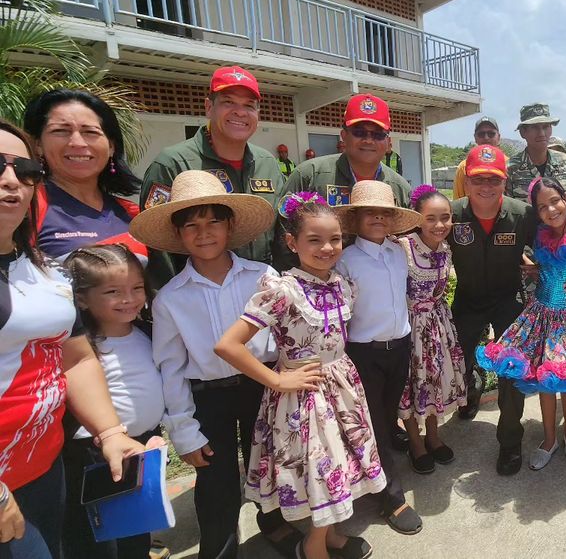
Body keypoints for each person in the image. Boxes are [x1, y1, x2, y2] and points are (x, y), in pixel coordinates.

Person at [0, 120, 147, 559]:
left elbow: (76, 357)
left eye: (25, 170)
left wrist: (110, 432)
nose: (10, 180)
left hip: (43, 468)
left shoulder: (43, 270)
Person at [215, 193, 385, 559]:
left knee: (339, 463)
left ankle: (330, 536)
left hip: (342, 388)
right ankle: (313, 546)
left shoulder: (342, 284)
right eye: (314, 239)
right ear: (292, 242)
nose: (327, 248)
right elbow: (228, 345)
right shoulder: (282, 290)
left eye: (335, 239)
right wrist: (278, 380)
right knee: (322, 467)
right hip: (304, 395)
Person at [130, 170, 280, 559]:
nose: (204, 233)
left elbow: (284, 336)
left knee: (269, 464)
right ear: (178, 234)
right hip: (207, 397)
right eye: (191, 226)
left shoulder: (263, 278)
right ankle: (219, 547)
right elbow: (171, 367)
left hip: (261, 387)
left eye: (214, 221)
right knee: (215, 478)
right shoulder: (170, 298)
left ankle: (276, 525)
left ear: (230, 226)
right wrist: (184, 431)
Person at [477, 177, 566, 470]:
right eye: (542, 207)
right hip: (539, 318)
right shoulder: (540, 237)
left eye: (555, 201)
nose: (551, 210)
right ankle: (550, 438)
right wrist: (534, 269)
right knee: (545, 381)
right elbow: (547, 270)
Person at [139, 66, 285, 290]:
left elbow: (282, 233)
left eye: (249, 105)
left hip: (263, 292)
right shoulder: (172, 163)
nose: (240, 112)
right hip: (197, 294)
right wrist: (174, 299)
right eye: (228, 102)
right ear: (209, 107)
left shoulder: (268, 164)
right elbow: (157, 247)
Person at [60, 245, 164, 559]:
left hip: (142, 445)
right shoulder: (79, 348)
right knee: (101, 538)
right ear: (81, 299)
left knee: (138, 531)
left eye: (137, 288)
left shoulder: (148, 332)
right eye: (113, 292)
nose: (129, 299)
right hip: (95, 453)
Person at [336, 181, 424, 535]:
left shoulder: (398, 252)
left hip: (398, 347)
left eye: (384, 213)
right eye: (369, 213)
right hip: (364, 353)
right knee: (372, 422)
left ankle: (371, 469)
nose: (377, 218)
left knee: (387, 417)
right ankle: (390, 496)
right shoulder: (344, 259)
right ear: (355, 219)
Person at [447, 145, 538, 475]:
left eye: (494, 179)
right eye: (479, 179)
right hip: (468, 299)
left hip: (507, 301)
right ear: (467, 181)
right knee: (456, 361)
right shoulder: (451, 214)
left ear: (505, 181)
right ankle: (471, 388)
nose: (486, 186)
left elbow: (547, 244)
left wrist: (536, 263)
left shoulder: (523, 214)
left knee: (511, 370)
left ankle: (510, 441)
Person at [276, 94, 412, 268]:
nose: (368, 140)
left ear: (388, 142)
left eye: (378, 135)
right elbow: (284, 237)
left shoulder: (399, 187)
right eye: (359, 132)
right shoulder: (309, 175)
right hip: (316, 282)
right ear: (343, 136)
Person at [22, 89, 145, 261]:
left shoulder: (133, 213)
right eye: (61, 131)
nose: (77, 143)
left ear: (111, 146)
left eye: (90, 132)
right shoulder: (26, 207)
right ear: (38, 145)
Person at [396, 185, 468, 474]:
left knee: (434, 381)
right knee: (412, 384)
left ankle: (434, 436)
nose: (440, 225)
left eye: (445, 217)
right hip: (409, 327)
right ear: (418, 219)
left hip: (438, 325)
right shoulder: (402, 248)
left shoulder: (446, 249)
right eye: (431, 218)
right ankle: (416, 442)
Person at [506, 103, 566, 200]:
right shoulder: (510, 168)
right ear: (523, 132)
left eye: (545, 127)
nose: (541, 133)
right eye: (534, 127)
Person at [453, 116, 501, 200]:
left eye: (491, 134)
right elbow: (458, 201)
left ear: (499, 137)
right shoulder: (464, 167)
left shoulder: (510, 165)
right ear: (475, 137)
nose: (486, 138)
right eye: (481, 134)